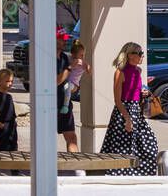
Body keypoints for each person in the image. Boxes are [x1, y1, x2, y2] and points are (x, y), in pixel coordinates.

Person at [101, 42, 159, 175]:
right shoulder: (120, 72)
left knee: (148, 144)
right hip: (123, 113)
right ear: (129, 55)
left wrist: (143, 93)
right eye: (139, 53)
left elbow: (136, 95)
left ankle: (141, 175)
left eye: (142, 53)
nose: (141, 56)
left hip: (136, 112)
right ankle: (118, 177)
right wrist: (127, 119)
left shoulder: (138, 71)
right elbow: (118, 100)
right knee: (122, 150)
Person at [55, 28, 79, 152]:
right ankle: (46, 169)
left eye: (65, 39)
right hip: (50, 105)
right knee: (46, 139)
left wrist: (74, 87)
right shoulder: (46, 59)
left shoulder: (64, 57)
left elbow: (67, 81)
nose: (65, 42)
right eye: (61, 39)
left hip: (65, 103)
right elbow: (55, 81)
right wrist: (70, 67)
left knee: (71, 137)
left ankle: (76, 169)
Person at [60, 41, 91, 114]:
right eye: (81, 55)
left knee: (67, 87)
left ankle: (65, 106)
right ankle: (64, 103)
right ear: (73, 55)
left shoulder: (82, 63)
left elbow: (89, 71)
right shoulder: (69, 59)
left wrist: (87, 67)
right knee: (65, 87)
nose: (83, 57)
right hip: (66, 81)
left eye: (83, 55)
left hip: (74, 84)